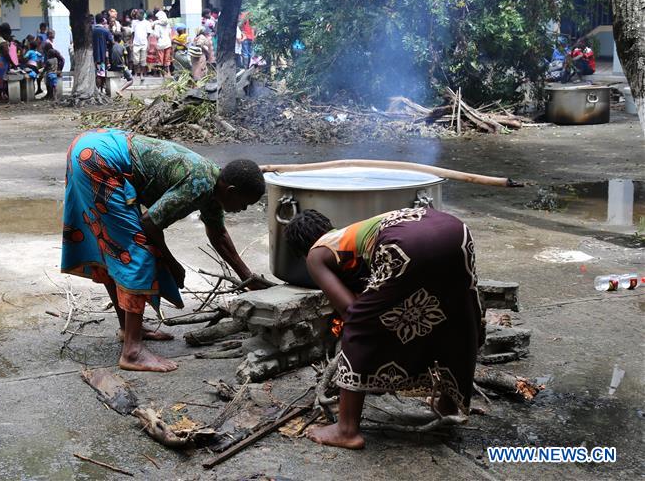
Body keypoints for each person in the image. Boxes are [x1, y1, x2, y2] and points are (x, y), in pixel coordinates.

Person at [62, 130, 267, 372]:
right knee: (137, 254)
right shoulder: (199, 185)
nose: (243, 209)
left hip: (90, 147)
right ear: (231, 190)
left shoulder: (212, 184)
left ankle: (128, 330)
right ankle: (132, 352)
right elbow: (149, 224)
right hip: (99, 159)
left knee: (114, 248)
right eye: (245, 203)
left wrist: (248, 278)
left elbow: (219, 235)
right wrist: (171, 262)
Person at [283, 207, 484, 449]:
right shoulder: (352, 234)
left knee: (357, 325)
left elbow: (350, 311)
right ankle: (449, 405)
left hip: (406, 244)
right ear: (328, 225)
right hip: (455, 230)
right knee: (450, 314)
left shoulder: (317, 253)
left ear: (301, 253)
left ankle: (346, 430)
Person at [92, 14, 113, 94]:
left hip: (92, 57)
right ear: (103, 20)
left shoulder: (92, 30)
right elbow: (111, 42)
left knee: (97, 73)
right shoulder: (105, 31)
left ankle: (98, 90)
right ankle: (99, 91)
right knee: (101, 73)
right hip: (101, 57)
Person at [131, 10, 152, 81]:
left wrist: (147, 43)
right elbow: (133, 33)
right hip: (136, 43)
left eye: (138, 14)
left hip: (144, 44)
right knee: (135, 60)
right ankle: (136, 74)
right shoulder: (134, 22)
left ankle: (142, 74)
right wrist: (132, 42)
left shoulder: (147, 23)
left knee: (143, 60)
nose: (136, 16)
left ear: (142, 15)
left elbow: (148, 33)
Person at [153, 11, 173, 78]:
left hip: (160, 44)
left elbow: (157, 35)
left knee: (160, 60)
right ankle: (167, 73)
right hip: (168, 43)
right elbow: (170, 34)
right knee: (167, 59)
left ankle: (161, 74)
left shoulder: (157, 25)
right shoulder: (168, 24)